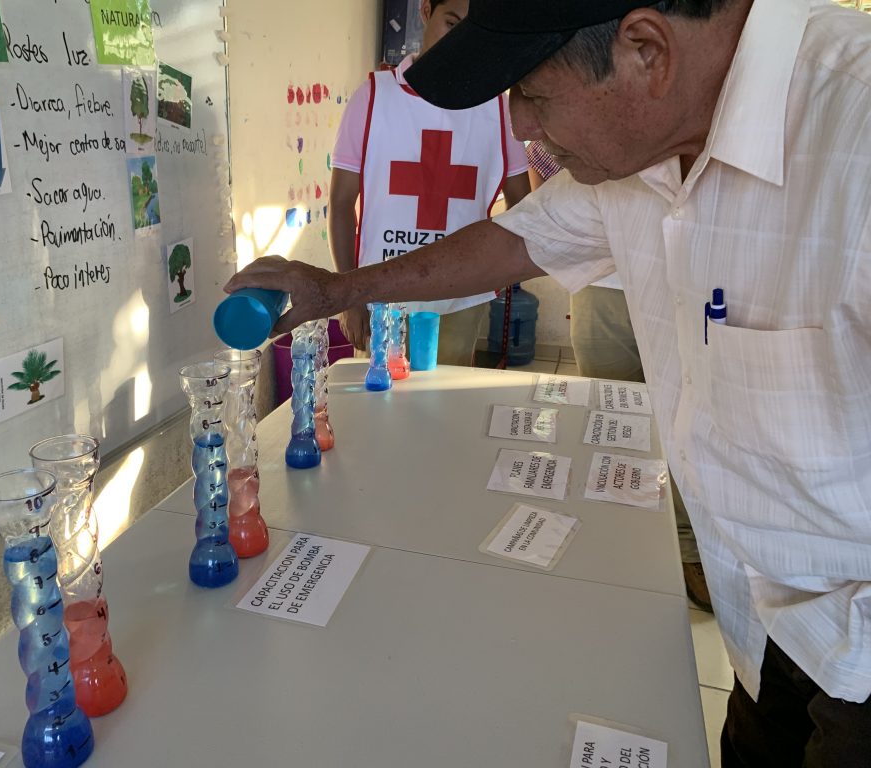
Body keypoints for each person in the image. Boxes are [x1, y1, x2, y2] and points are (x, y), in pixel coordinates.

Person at [228, 1, 871, 762]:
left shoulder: (852, 137)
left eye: (532, 90)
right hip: (763, 628)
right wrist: (341, 291)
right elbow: (512, 240)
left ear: (645, 51)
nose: (521, 126)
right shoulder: (647, 145)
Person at [527, 140, 711, 611]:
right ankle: (620, 548)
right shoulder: (554, 138)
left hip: (679, 285)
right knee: (610, 432)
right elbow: (546, 215)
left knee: (685, 429)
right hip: (601, 289)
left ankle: (691, 552)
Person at [329, 0, 530, 364]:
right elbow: (342, 205)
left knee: (446, 408)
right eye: (452, 24)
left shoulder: (499, 110)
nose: (460, 44)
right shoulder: (373, 98)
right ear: (425, 11)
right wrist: (350, 296)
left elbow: (524, 205)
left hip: (459, 298)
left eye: (473, 32)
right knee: (379, 408)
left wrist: (498, 272)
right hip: (379, 295)